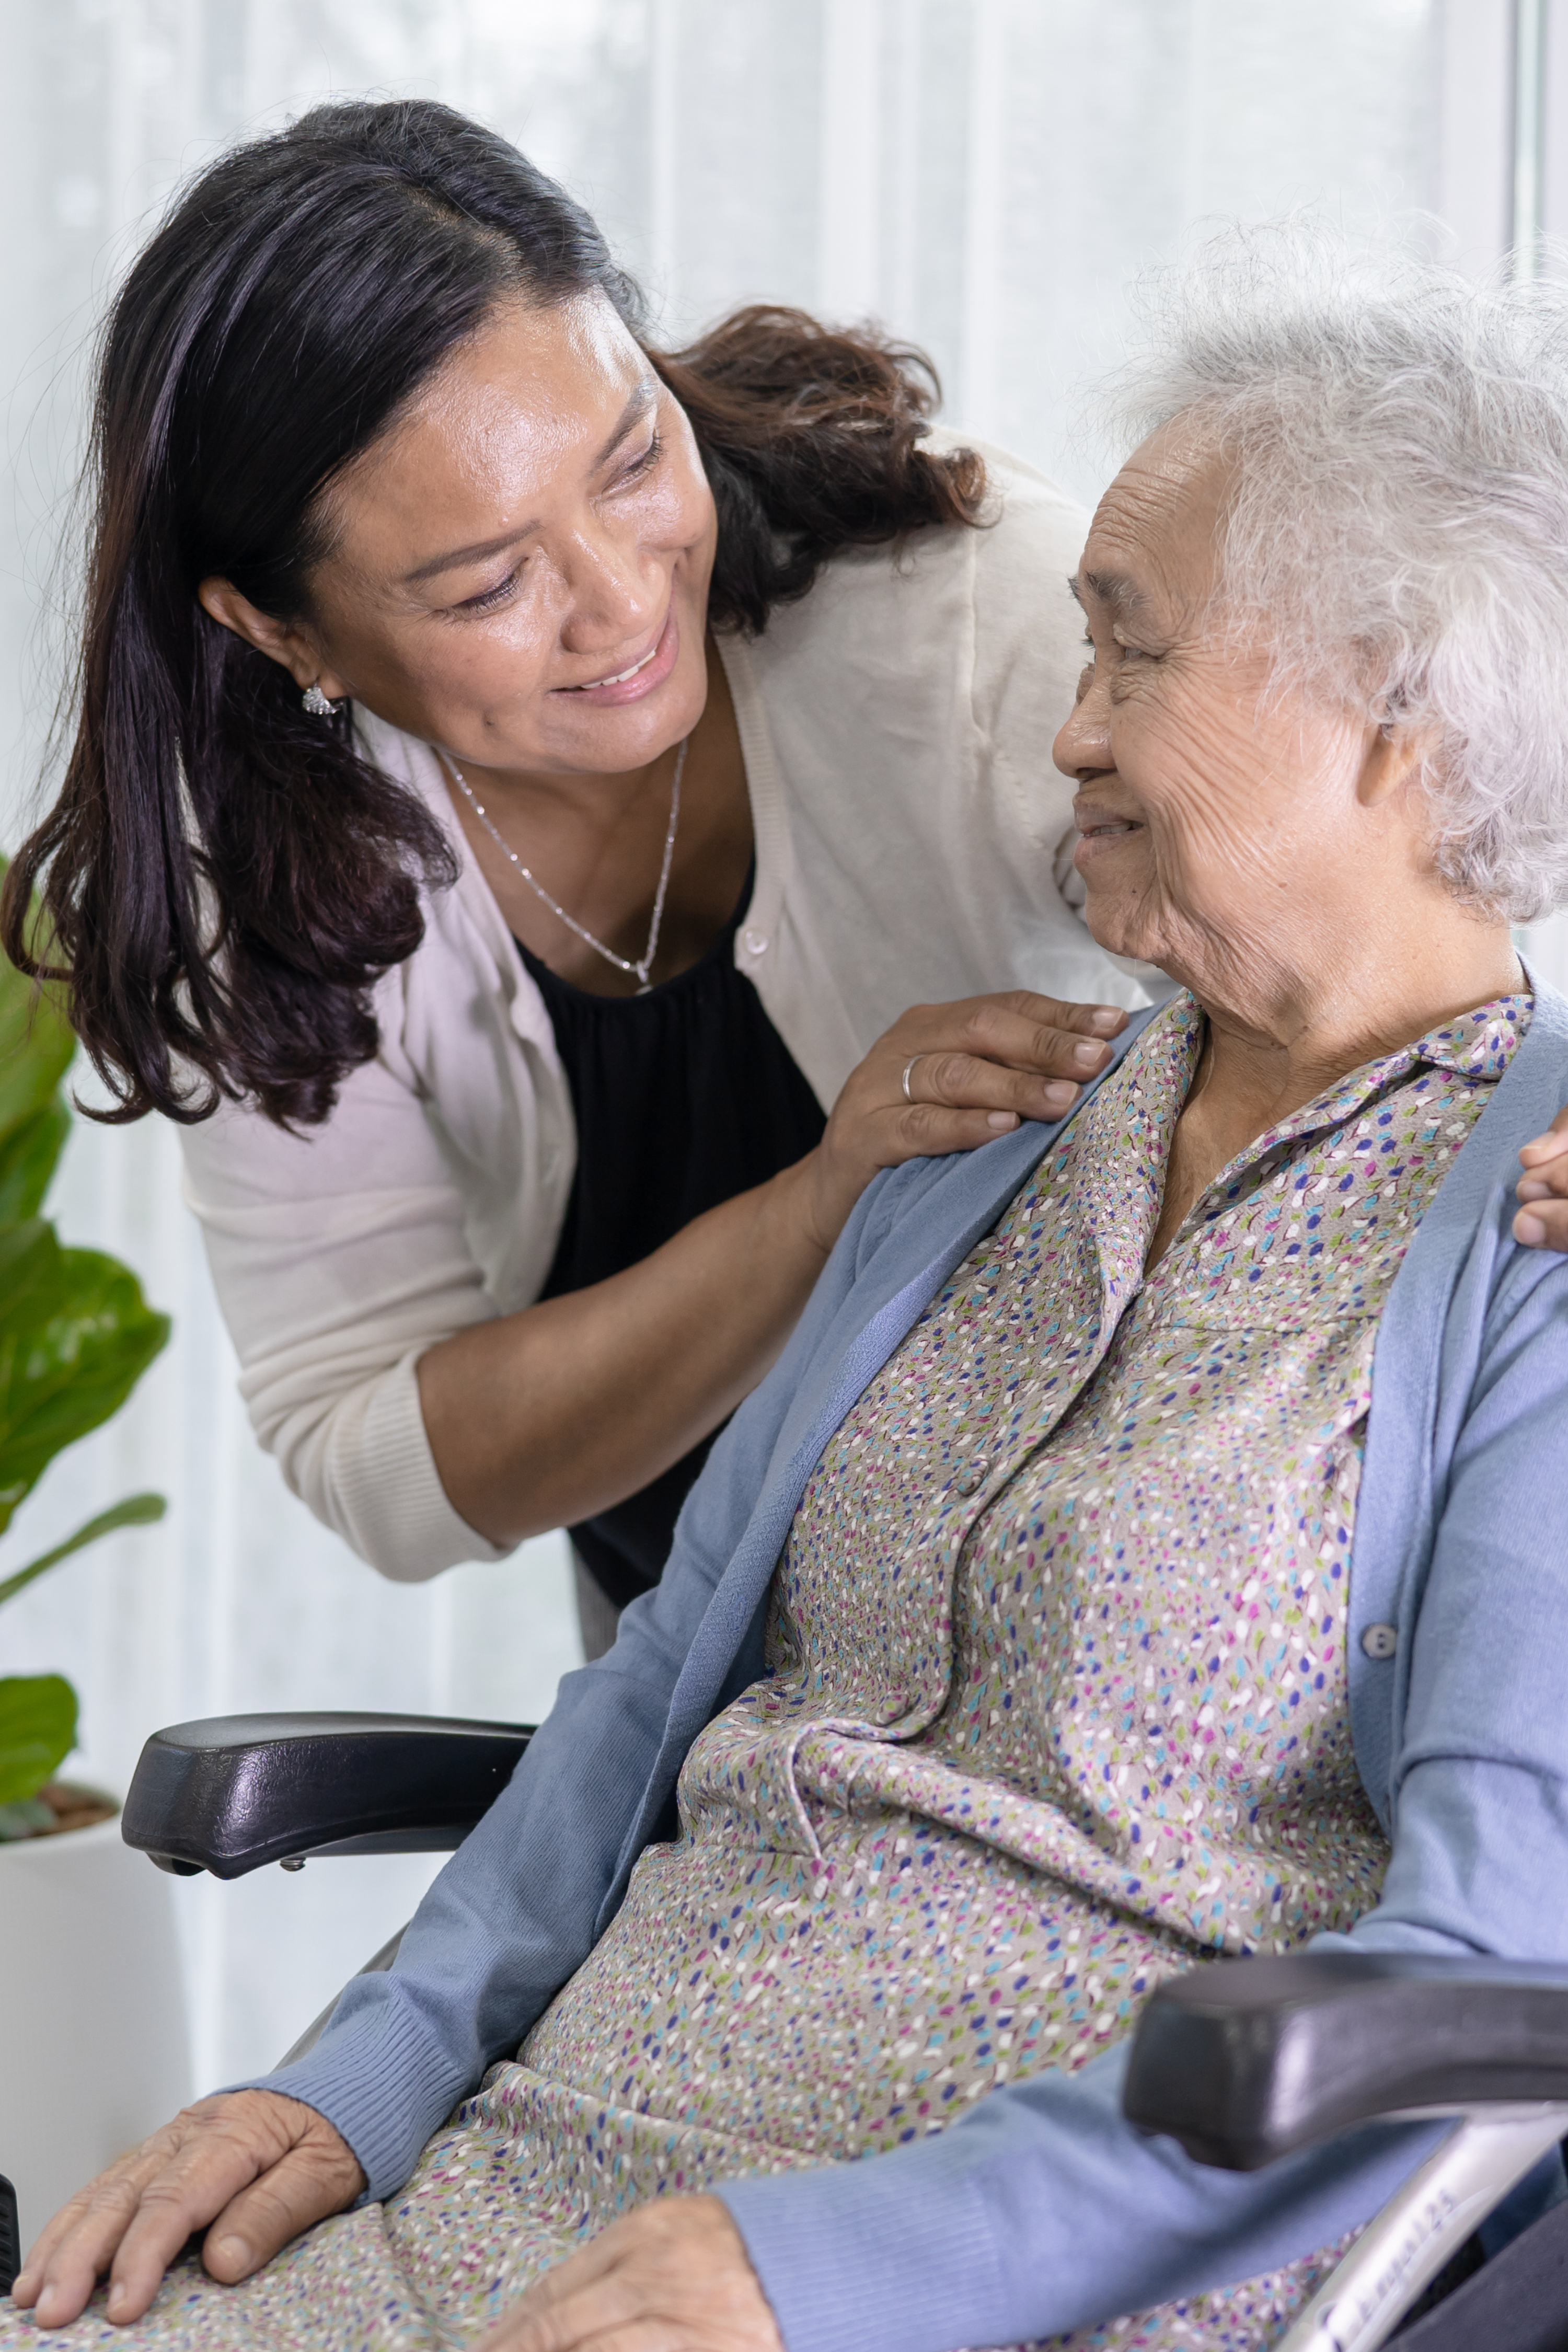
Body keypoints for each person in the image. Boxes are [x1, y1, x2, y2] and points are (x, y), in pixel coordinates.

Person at [14, 228, 1568, 2352]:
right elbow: (659, 1689)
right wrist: (350, 2086)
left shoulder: (1530, 1247)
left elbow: (1495, 1957)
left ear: (1404, 712)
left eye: (1132, 660)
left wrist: (829, 2269)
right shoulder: (983, 1140)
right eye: (477, 579)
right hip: (558, 2173)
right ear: (286, 627)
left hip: (996, 2261)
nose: (1072, 733)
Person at [0, 99, 1154, 1660]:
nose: (621, 601)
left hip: (1104, 1629)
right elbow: (380, 1458)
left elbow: (1361, 979)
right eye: (489, 581)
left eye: (631, 462)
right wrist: (822, 1210)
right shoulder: (264, 882)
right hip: (716, 1698)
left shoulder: (969, 609)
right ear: (282, 632)